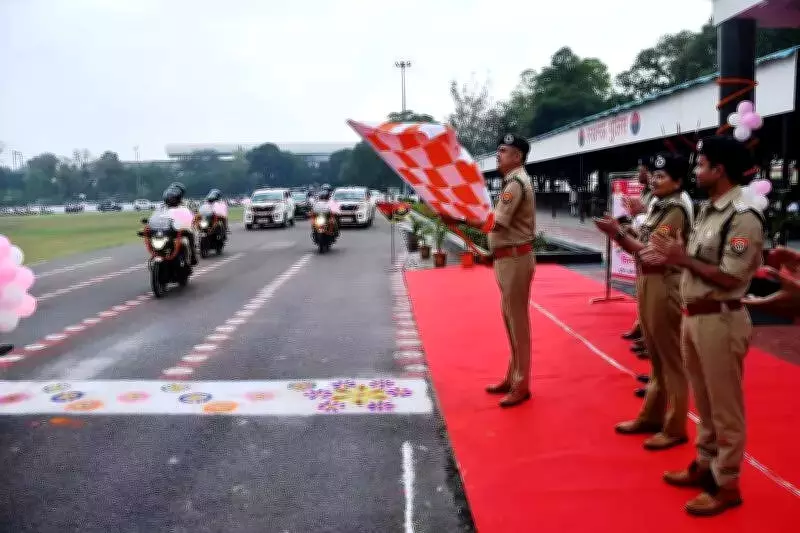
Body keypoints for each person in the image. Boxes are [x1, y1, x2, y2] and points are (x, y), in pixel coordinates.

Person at [641, 135, 764, 517]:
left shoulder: (743, 216)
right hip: (695, 317)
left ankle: (726, 483)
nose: (696, 171)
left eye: (701, 165)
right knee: (705, 402)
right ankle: (705, 463)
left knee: (725, 408)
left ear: (719, 170)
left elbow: (731, 276)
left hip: (721, 319)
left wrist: (682, 259)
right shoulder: (710, 210)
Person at [595, 152, 692, 451]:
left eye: (662, 176)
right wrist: (622, 227)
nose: (654, 180)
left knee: (671, 361)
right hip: (648, 281)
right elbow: (643, 237)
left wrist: (618, 233)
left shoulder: (675, 209)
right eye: (654, 175)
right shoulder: (659, 206)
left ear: (678, 181)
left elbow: (650, 253)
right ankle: (651, 415)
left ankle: (675, 426)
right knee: (656, 357)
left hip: (664, 283)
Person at [443, 133, 536, 407]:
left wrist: (459, 219)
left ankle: (521, 384)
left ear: (517, 156)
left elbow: (495, 223)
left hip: (516, 260)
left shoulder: (516, 183)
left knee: (518, 324)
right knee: (510, 321)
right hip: (508, 259)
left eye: (503, 150)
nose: (498, 154)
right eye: (499, 150)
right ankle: (512, 376)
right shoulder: (513, 181)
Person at [160, 185, 198, 265]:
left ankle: (192, 255)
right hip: (167, 228)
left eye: (173, 197)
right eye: (170, 196)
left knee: (190, 233)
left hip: (180, 228)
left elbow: (191, 215)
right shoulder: (162, 207)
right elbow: (156, 217)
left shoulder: (185, 205)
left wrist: (191, 220)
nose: (171, 199)